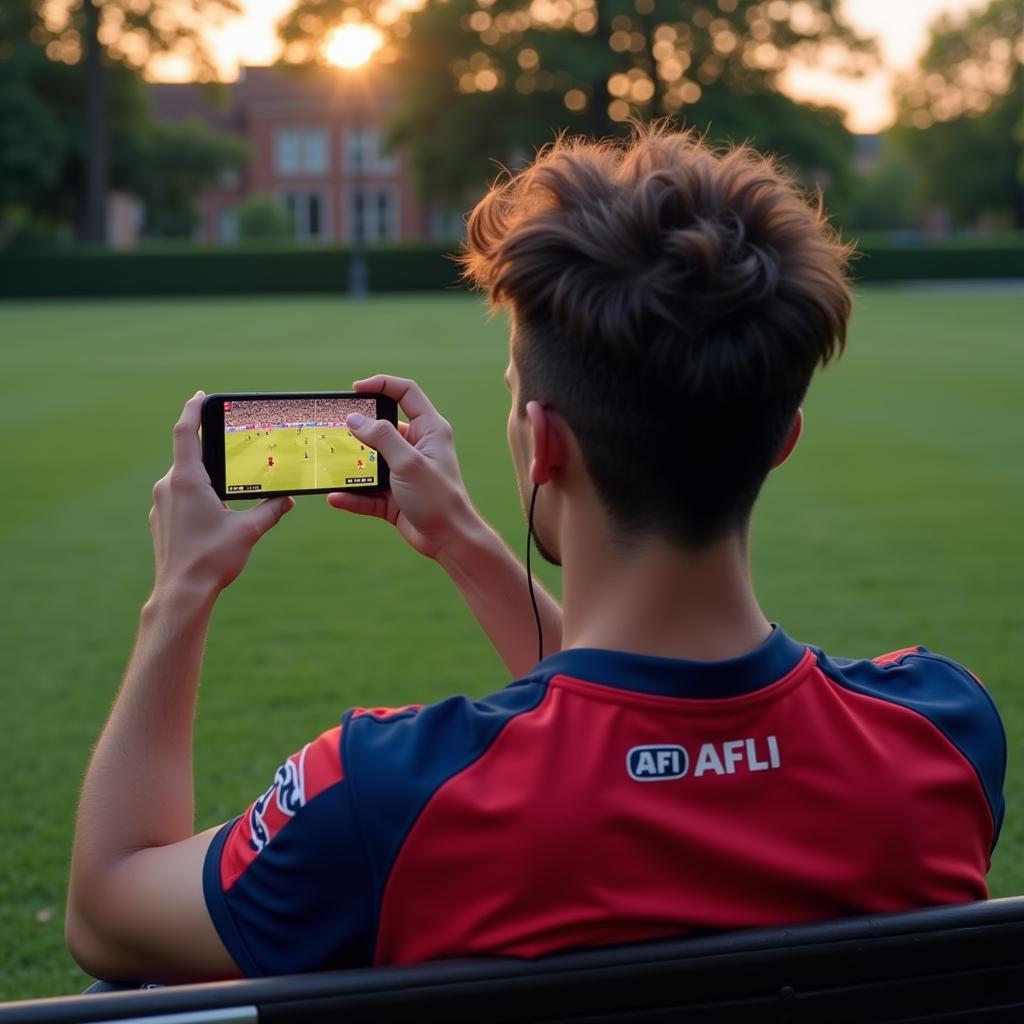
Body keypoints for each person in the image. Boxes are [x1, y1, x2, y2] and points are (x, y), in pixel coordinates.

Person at [66, 125, 1005, 984]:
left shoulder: (382, 797)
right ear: (782, 438)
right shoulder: (945, 732)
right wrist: (467, 544)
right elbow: (664, 751)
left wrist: (182, 588)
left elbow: (109, 914)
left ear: (541, 443)